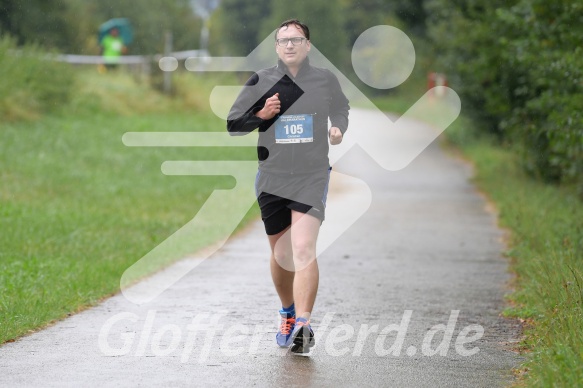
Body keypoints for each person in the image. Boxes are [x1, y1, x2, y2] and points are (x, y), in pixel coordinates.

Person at [227, 19, 349, 354]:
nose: (290, 45)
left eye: (297, 39)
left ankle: (304, 324)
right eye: (283, 41)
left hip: (312, 175)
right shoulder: (261, 80)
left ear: (308, 45)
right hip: (273, 177)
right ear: (277, 47)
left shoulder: (324, 79)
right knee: (282, 255)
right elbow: (233, 125)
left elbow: (341, 107)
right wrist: (262, 114)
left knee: (303, 248)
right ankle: (288, 311)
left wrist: (338, 127)